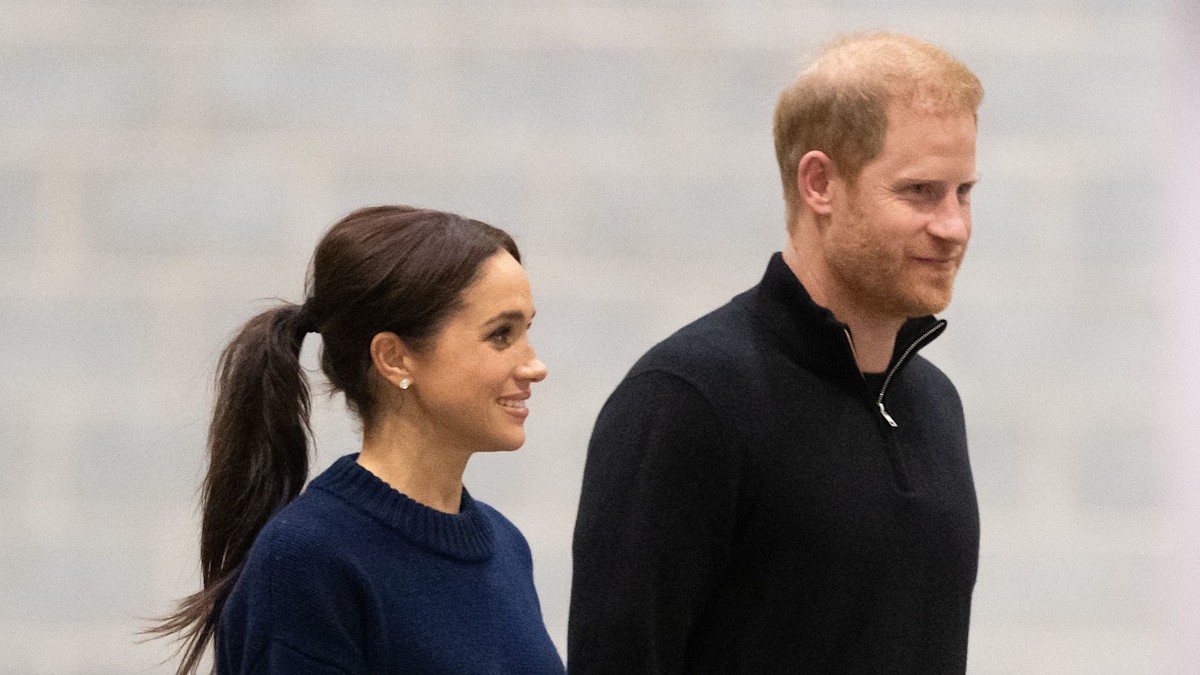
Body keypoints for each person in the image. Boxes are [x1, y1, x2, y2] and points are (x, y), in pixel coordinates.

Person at [569, 31, 983, 674]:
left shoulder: (934, 403)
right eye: (920, 191)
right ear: (819, 183)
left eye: (964, 192)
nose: (953, 226)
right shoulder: (686, 400)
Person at [150, 205, 564, 674]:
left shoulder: (505, 546)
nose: (535, 365)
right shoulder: (309, 561)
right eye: (501, 335)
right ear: (394, 358)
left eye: (527, 330)